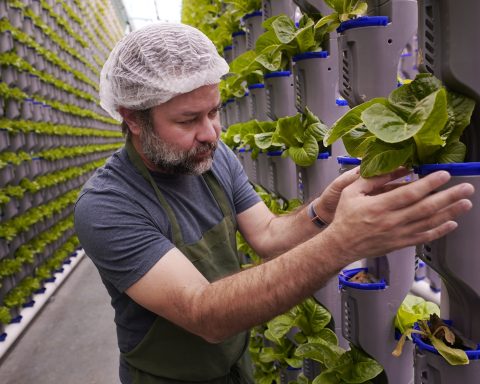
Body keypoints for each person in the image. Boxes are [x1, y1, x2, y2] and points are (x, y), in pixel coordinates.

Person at [74, 23, 474, 384]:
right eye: (187, 120)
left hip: (234, 364)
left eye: (213, 111)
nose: (210, 133)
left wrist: (324, 210)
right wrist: (344, 241)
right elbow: (203, 314)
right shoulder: (108, 205)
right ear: (132, 119)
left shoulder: (212, 157)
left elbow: (267, 234)